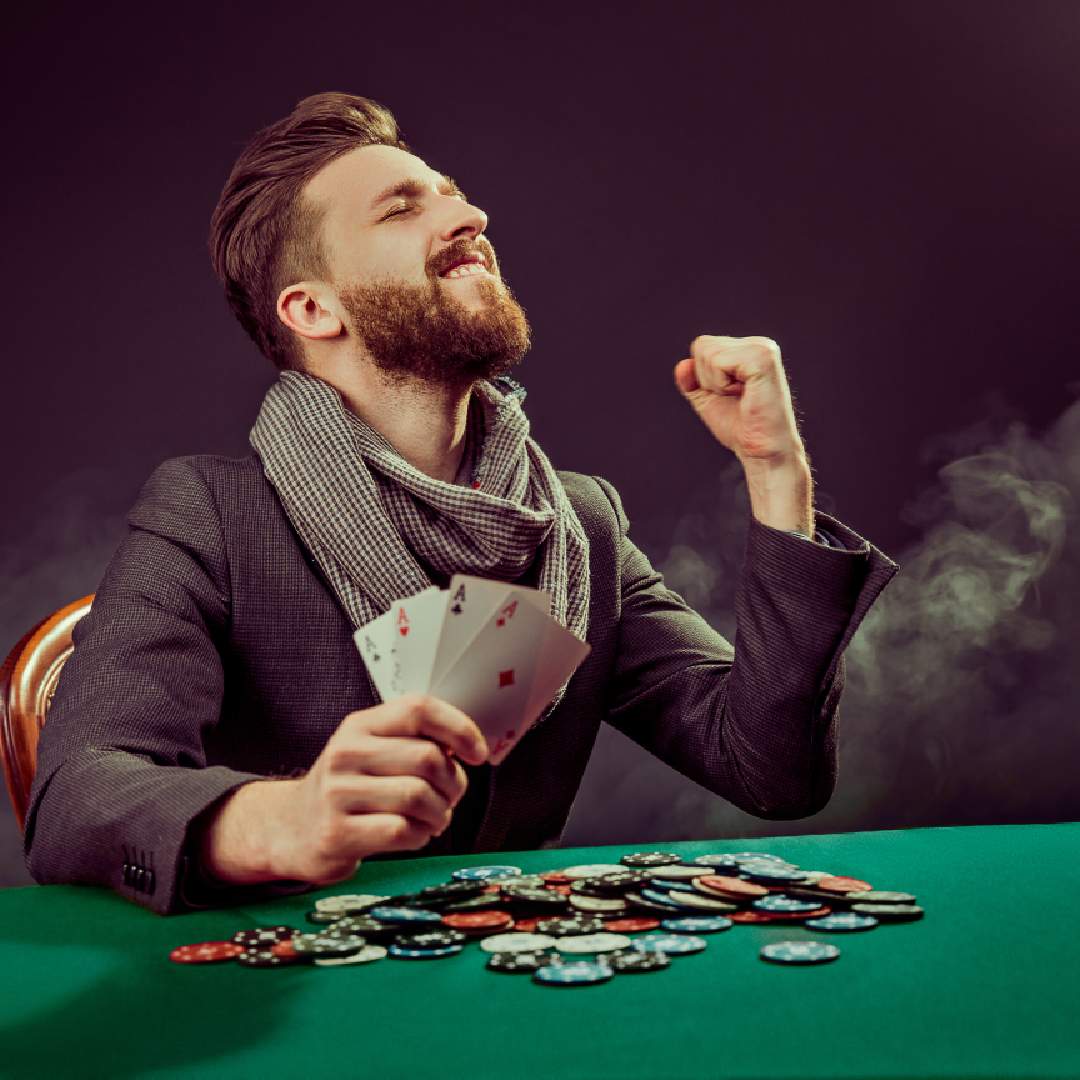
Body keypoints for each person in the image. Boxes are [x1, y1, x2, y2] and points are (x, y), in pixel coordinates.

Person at [23, 92, 899, 914]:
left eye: (455, 196)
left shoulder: (580, 526)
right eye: (403, 208)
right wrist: (286, 819)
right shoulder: (211, 513)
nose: (469, 216)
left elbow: (771, 769)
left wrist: (776, 469)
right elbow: (76, 794)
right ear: (312, 309)